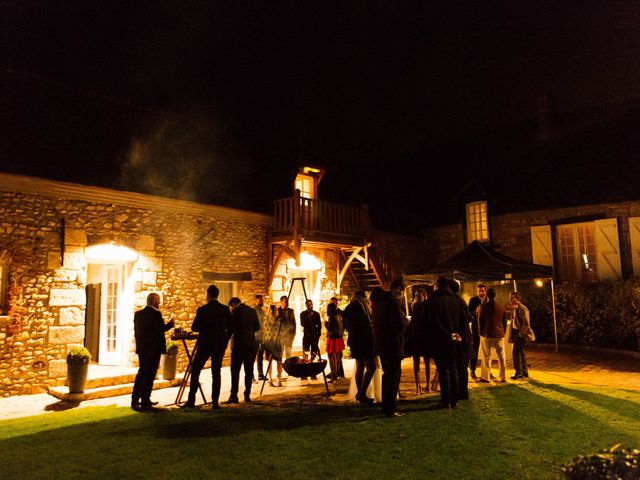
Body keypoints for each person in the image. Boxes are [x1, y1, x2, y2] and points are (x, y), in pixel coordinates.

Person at [181, 284, 232, 409]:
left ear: (208, 295)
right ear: (217, 295)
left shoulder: (202, 310)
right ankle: (215, 402)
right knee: (216, 373)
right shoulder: (224, 309)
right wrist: (225, 340)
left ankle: (191, 400)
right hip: (219, 345)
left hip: (205, 344)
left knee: (195, 370)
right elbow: (231, 327)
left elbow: (194, 327)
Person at [371, 279, 409, 418]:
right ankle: (390, 408)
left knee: (387, 375)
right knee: (393, 376)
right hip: (392, 344)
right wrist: (406, 322)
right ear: (398, 289)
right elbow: (398, 324)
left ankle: (387, 406)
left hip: (381, 343)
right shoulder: (392, 302)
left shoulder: (376, 302)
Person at [424, 277, 464, 409]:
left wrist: (447, 334)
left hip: (440, 339)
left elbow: (432, 322)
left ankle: (446, 399)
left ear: (437, 285)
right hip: (454, 339)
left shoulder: (433, 301)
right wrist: (456, 333)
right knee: (452, 369)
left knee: (443, 369)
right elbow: (462, 319)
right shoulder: (454, 300)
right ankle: (454, 398)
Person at [132, 292, 174, 411]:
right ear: (154, 301)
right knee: (149, 375)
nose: (160, 303)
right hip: (154, 349)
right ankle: (144, 399)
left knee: (142, 374)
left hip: (143, 349)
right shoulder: (156, 314)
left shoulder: (138, 314)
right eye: (158, 300)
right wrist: (170, 324)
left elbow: (138, 332)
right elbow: (159, 330)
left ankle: (138, 400)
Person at [343, 290, 376, 404]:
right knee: (371, 367)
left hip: (354, 340)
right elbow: (365, 324)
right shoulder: (360, 306)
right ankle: (361, 394)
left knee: (360, 366)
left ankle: (361, 395)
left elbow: (346, 324)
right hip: (363, 340)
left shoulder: (350, 306)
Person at [227, 297, 261, 403]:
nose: (231, 309)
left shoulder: (235, 312)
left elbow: (230, 328)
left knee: (235, 370)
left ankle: (234, 395)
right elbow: (257, 327)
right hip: (251, 344)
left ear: (233, 304)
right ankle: (247, 395)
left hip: (238, 344)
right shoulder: (252, 311)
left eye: (231, 307)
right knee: (249, 371)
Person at [477, 288, 507, 383]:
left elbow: (481, 321)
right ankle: (503, 377)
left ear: (487, 295)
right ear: (495, 295)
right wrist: (503, 331)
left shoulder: (483, 306)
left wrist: (480, 332)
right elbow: (504, 321)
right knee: (501, 357)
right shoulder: (501, 306)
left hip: (487, 334)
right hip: (499, 334)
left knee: (486, 356)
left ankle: (486, 377)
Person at [449, 279, 473, 400]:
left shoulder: (455, 301)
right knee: (462, 365)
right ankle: (463, 391)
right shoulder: (461, 301)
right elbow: (469, 317)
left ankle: (461, 391)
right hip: (465, 337)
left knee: (460, 365)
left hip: (460, 338)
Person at [406, 288, 431, 395]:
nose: (418, 297)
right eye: (417, 295)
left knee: (427, 362)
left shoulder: (427, 306)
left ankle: (428, 385)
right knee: (416, 363)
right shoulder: (415, 306)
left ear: (424, 296)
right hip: (416, 337)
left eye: (420, 295)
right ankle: (418, 386)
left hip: (425, 337)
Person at [508, 291, 532, 379]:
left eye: (512, 298)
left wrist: (521, 333)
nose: (510, 300)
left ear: (517, 299)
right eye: (510, 298)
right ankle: (524, 372)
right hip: (516, 332)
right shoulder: (515, 308)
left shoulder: (522, 308)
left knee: (516, 352)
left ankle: (519, 372)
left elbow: (526, 323)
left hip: (519, 333)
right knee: (521, 352)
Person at [468, 284, 487, 379]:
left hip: (486, 330)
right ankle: (472, 370)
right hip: (476, 329)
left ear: (485, 291)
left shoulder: (488, 300)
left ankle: (486, 371)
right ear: (477, 291)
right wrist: (474, 313)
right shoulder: (473, 300)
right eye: (480, 291)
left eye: (483, 291)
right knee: (474, 349)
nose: (481, 293)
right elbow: (468, 313)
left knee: (486, 351)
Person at [263, 304, 284, 387]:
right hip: (271, 342)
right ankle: (274, 379)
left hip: (274, 342)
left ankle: (276, 379)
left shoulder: (277, 320)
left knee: (275, 361)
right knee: (273, 362)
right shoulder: (275, 320)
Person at [325, 301, 345, 382]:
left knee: (331, 356)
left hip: (333, 337)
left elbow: (331, 328)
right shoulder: (339, 315)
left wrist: (326, 324)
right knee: (336, 356)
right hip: (338, 337)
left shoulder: (332, 317)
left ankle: (334, 374)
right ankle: (336, 373)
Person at [277, 295, 296, 362]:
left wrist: (293, 335)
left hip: (289, 336)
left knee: (288, 354)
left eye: (287, 301)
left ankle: (289, 368)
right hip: (281, 337)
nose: (287, 303)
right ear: (281, 302)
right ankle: (280, 370)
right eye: (285, 301)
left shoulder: (291, 311)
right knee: (280, 354)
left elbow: (294, 324)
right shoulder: (277, 311)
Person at [254, 295, 267, 381]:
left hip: (261, 336)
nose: (262, 302)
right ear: (256, 301)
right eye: (260, 300)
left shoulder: (261, 310)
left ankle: (260, 373)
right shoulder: (255, 310)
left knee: (260, 356)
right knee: (253, 356)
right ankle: (252, 375)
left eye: (262, 300)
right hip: (256, 336)